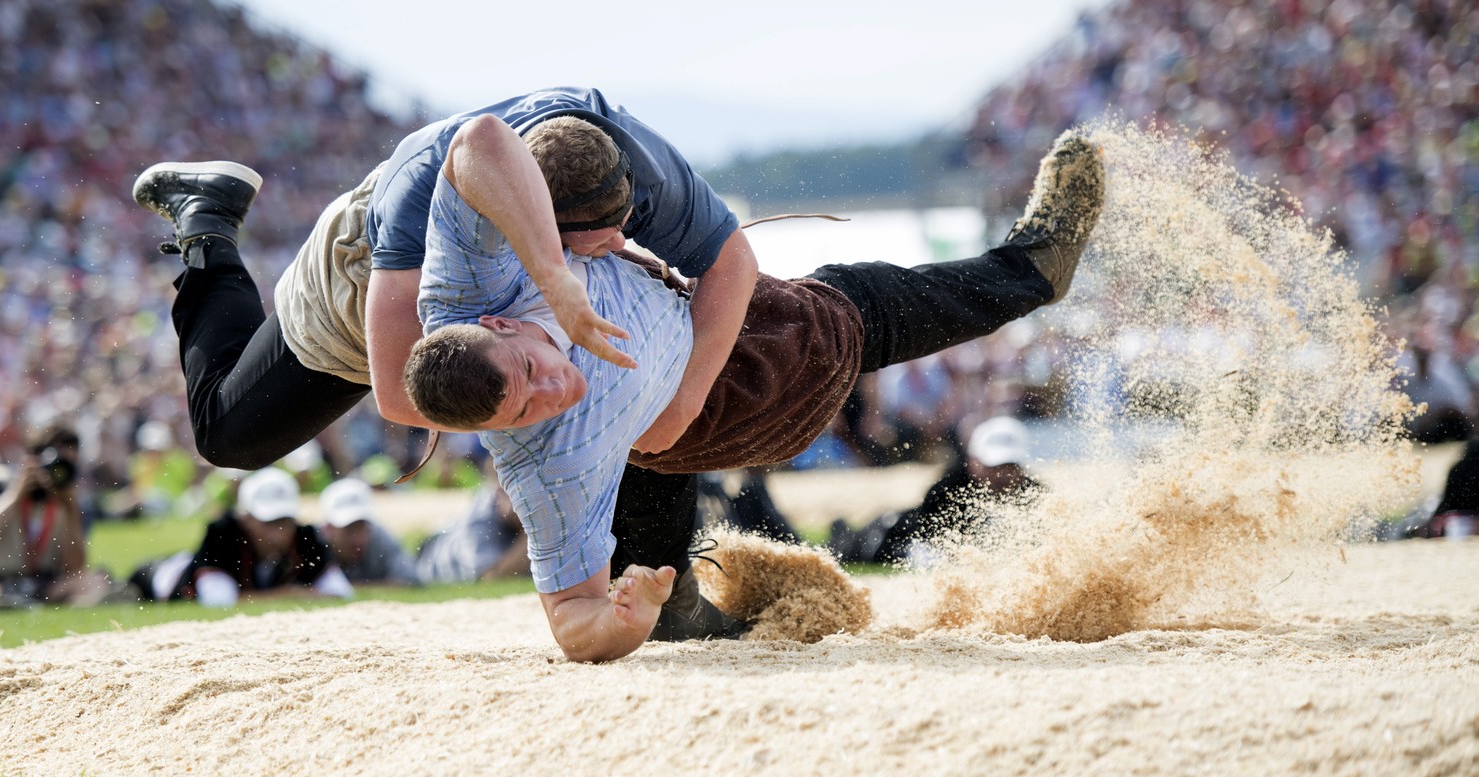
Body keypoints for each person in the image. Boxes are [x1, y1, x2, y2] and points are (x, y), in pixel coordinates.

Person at [396, 130, 1105, 662]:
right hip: (735, 393)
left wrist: (555, 276)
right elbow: (573, 623)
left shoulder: (462, 290)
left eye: (528, 370)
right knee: (852, 306)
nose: (553, 389)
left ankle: (682, 609)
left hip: (666, 372)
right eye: (526, 411)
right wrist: (625, 615)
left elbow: (482, 140)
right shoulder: (542, 462)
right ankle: (1032, 271)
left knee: (646, 498)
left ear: (492, 322)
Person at [132, 87, 755, 473]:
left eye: (624, 224)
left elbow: (733, 263)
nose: (619, 243)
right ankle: (207, 220)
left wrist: (681, 402)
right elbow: (400, 396)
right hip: (360, 288)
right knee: (229, 437)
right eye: (590, 240)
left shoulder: (626, 164)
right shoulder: (418, 196)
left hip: (513, 296)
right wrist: (547, 407)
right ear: (541, 222)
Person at [832, 416, 1045, 566]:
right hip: (888, 533)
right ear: (973, 461)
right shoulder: (948, 491)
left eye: (1010, 467)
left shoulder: (1038, 497)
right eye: (994, 467)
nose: (1002, 475)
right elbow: (927, 543)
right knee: (851, 549)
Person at [130, 467, 353, 605]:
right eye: (269, 523)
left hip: (197, 567)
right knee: (125, 593)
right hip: (161, 577)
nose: (279, 533)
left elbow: (341, 593)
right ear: (246, 518)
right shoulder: (222, 535)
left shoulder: (305, 537)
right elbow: (218, 602)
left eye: (285, 522)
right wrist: (290, 594)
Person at [0, 423, 111, 606]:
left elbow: (74, 568)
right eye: (54, 464)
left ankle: (13, 601)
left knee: (95, 579)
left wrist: (69, 506)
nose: (58, 473)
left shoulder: (74, 502)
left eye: (67, 466)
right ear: (32, 460)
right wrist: (14, 497)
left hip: (43, 584)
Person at [317, 477, 420, 585]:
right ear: (328, 528)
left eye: (362, 528)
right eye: (349, 530)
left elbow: (410, 581)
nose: (357, 540)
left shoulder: (380, 537)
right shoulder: (313, 544)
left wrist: (344, 590)